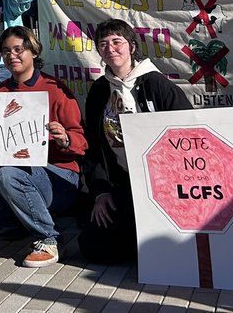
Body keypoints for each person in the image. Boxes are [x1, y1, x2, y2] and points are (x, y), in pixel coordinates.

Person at [0, 27, 85, 267]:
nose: (12, 55)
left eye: (19, 49)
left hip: (60, 175)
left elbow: (81, 143)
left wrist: (65, 138)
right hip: (14, 174)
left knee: (8, 174)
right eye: (6, 51)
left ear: (34, 52)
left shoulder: (55, 89)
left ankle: (48, 239)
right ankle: (34, 221)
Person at [78, 18, 191, 265]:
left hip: (163, 184)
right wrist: (101, 191)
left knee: (156, 249)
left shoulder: (157, 84)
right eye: (103, 44)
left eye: (117, 42)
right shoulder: (99, 91)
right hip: (124, 182)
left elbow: (190, 133)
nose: (110, 49)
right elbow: (93, 147)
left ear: (131, 46)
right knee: (92, 246)